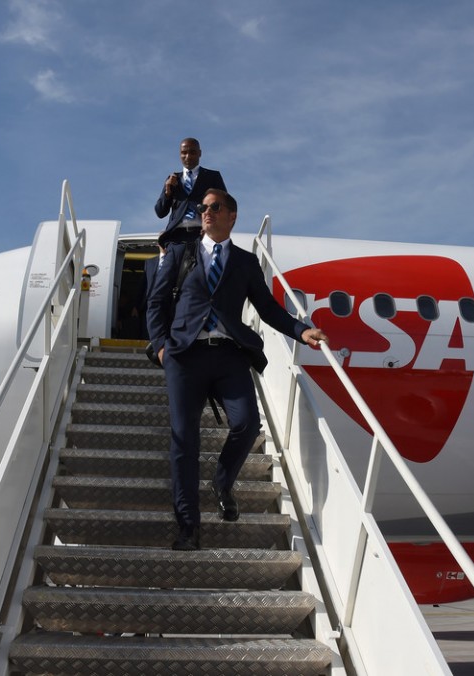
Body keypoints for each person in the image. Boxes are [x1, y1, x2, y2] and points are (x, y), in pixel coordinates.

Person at [146, 189, 328, 551]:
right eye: (203, 207)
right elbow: (156, 301)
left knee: (247, 423)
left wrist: (300, 330)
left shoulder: (245, 262)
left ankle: (222, 481)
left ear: (232, 216)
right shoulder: (181, 253)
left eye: (214, 207)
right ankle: (188, 526)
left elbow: (268, 308)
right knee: (184, 440)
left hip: (229, 355)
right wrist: (161, 346)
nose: (206, 212)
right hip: (185, 356)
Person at [155, 138, 226, 245]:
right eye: (184, 153)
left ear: (199, 153)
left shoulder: (212, 177)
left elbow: (225, 207)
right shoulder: (173, 179)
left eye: (192, 152)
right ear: (180, 154)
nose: (188, 156)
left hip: (203, 235)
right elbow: (160, 212)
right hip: (176, 238)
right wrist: (167, 192)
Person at [132, 243, 166, 339]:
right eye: (162, 242)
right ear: (158, 244)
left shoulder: (175, 261)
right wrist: (136, 306)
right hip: (148, 305)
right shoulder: (150, 262)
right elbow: (143, 285)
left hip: (165, 305)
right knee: (146, 332)